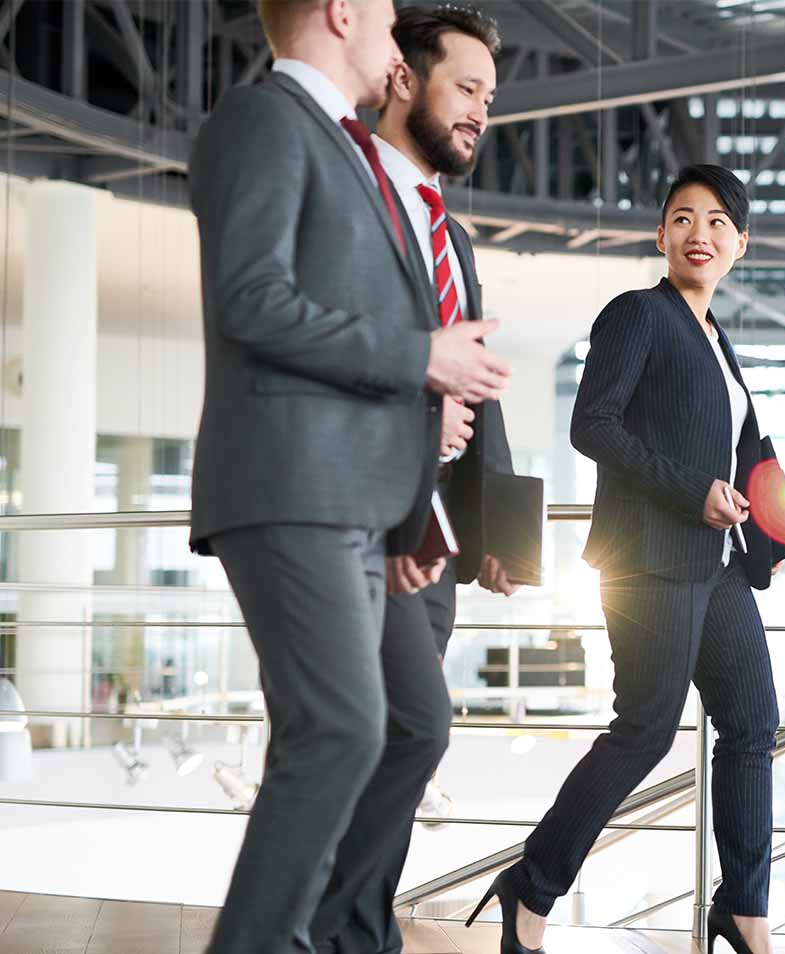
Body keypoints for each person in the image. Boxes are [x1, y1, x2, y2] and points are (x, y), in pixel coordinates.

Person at [187, 0, 510, 950]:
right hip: (295, 489)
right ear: (341, 12)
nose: (393, 35)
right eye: (386, 15)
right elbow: (253, 302)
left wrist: (408, 508)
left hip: (349, 499)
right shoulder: (264, 121)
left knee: (370, 729)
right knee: (340, 733)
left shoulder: (340, 152)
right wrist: (422, 357)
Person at [467, 165, 785, 954]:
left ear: (741, 243)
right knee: (645, 729)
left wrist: (775, 535)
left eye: (717, 222)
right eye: (682, 218)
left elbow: (743, 448)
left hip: (715, 564)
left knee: (753, 723)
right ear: (660, 235)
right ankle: (530, 891)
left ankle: (743, 910)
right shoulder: (639, 314)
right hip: (647, 560)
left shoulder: (716, 340)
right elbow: (593, 426)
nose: (699, 234)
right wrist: (693, 493)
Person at [310, 7, 518, 953]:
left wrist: (496, 535)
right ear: (403, 79)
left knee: (396, 738)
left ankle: (357, 924)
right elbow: (328, 351)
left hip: (431, 532)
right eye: (465, 88)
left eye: (487, 96)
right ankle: (343, 931)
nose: (480, 111)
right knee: (407, 731)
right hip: (358, 513)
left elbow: (475, 384)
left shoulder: (450, 234)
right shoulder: (349, 189)